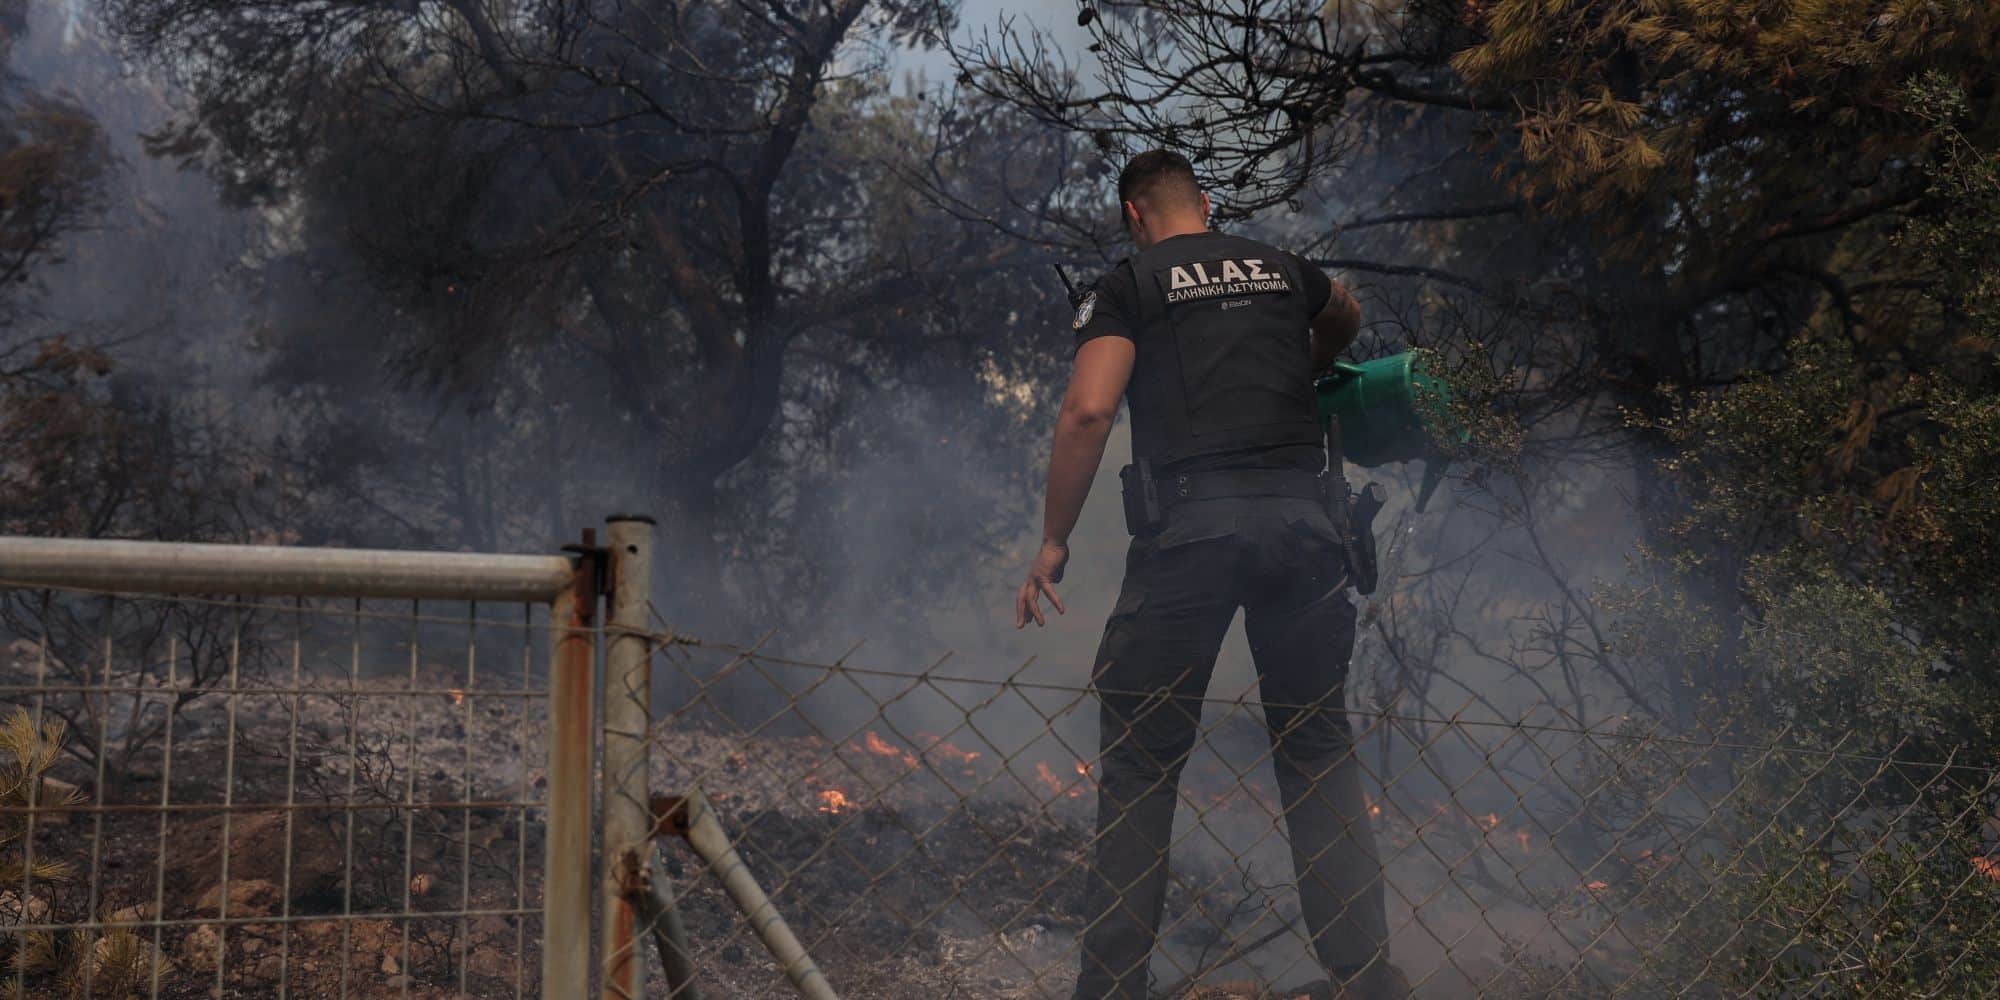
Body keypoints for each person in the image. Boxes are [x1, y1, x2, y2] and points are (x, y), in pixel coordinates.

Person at [1012, 150, 1408, 1000]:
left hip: (1192, 532)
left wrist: (1053, 540)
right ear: (1207, 203)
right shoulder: (1278, 269)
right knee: (1314, 745)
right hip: (1306, 528)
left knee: (1143, 760)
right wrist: (1303, 362)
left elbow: (1088, 408)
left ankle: (1113, 987)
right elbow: (1347, 313)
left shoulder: (1129, 284)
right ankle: (1367, 978)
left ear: (1132, 214)